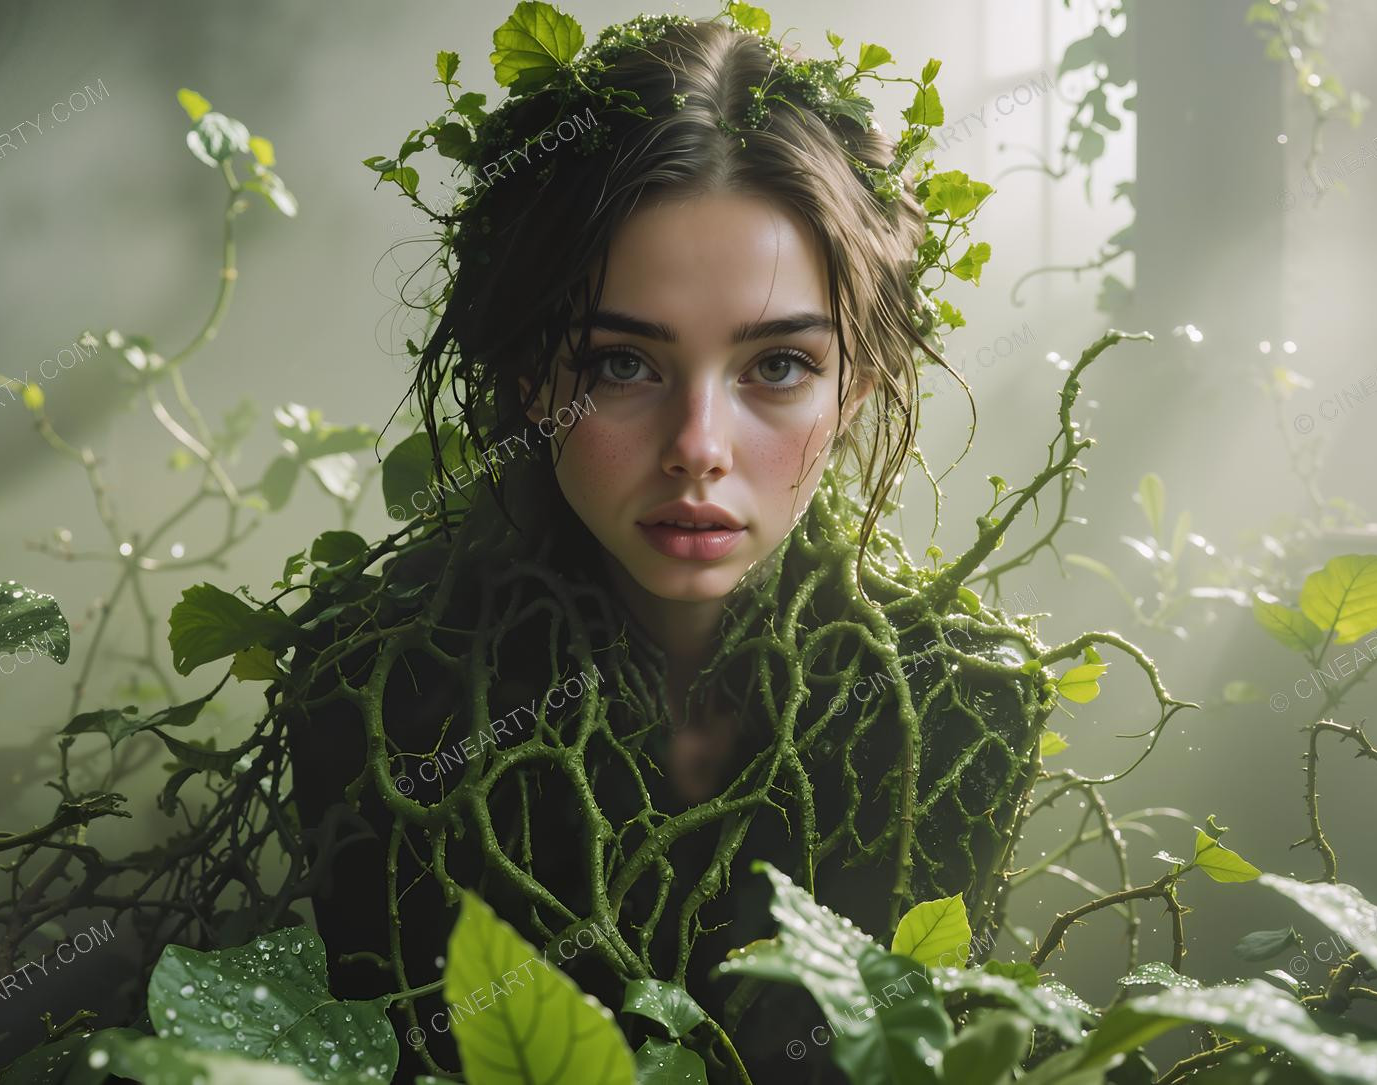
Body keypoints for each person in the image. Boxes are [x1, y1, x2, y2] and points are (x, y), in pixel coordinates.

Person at [286, 9, 1039, 1081]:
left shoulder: (957, 701)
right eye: (621, 366)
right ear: (529, 380)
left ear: (856, 385)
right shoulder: (374, 688)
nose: (697, 449)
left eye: (776, 366)